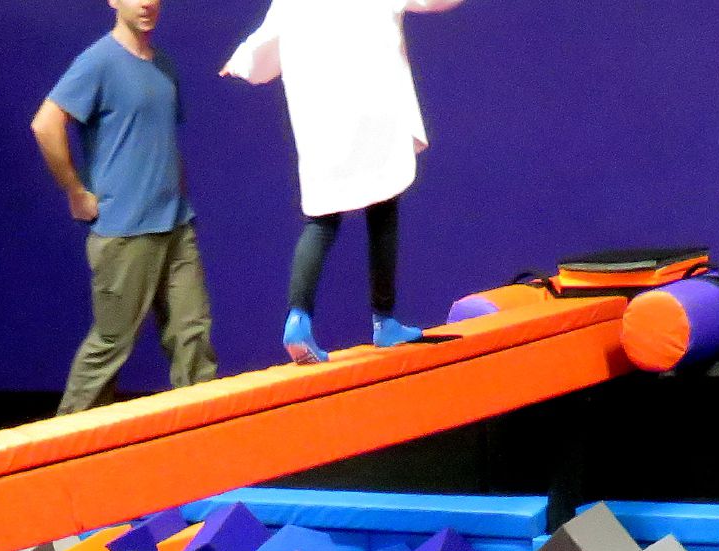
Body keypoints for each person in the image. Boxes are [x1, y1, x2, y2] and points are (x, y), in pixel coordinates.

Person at [223, 0, 466, 363]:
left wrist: (241, 61)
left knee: (321, 221)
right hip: (373, 115)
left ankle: (298, 317)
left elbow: (267, 40)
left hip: (325, 126)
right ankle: (384, 320)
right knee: (383, 207)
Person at [36, 0, 219, 416]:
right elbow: (45, 123)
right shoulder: (98, 61)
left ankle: (202, 438)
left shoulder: (164, 66)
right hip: (123, 232)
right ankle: (66, 448)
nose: (146, 3)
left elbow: (161, 143)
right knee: (112, 344)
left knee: (193, 337)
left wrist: (179, 198)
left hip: (176, 226)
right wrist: (75, 191)